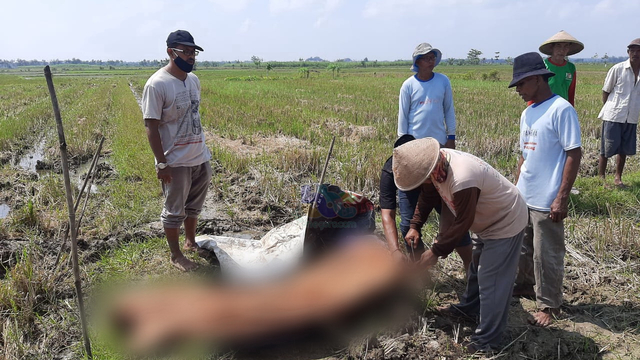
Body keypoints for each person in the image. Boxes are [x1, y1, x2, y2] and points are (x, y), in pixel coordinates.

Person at [393, 138, 528, 353]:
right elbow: (427, 197)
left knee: (491, 281)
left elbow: (463, 222)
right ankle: (470, 309)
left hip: (505, 220)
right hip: (485, 222)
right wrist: (415, 225)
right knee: (476, 270)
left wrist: (435, 252)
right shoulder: (436, 167)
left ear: (429, 169)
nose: (423, 185)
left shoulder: (463, 177)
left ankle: (487, 342)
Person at [509, 52, 582, 327]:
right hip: (525, 195)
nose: (518, 90)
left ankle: (549, 305)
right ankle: (526, 286)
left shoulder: (561, 109)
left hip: (547, 197)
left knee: (547, 254)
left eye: (521, 84)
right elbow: (524, 156)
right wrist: (516, 189)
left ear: (537, 79)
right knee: (524, 249)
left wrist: (561, 197)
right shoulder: (527, 112)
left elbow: (573, 153)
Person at [142, 30, 212, 272]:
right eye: (186, 51)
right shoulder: (157, 84)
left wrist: (203, 153)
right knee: (174, 211)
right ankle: (176, 255)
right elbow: (151, 126)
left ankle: (191, 242)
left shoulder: (193, 81)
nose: (191, 57)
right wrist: (162, 164)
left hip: (199, 156)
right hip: (176, 161)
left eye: (194, 52)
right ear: (171, 52)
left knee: (194, 206)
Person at [379, 135, 471, 270]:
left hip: (436, 182)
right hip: (413, 187)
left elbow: (452, 212)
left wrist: (440, 242)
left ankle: (470, 264)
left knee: (455, 225)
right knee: (407, 225)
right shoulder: (391, 170)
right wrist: (395, 251)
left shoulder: (437, 165)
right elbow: (387, 213)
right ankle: (421, 269)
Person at [597, 38, 640, 188]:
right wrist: (610, 108)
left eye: (639, 51)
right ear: (628, 52)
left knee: (624, 149)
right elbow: (606, 91)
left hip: (632, 116)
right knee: (606, 148)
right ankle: (601, 178)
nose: (635, 53)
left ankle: (618, 178)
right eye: (632, 50)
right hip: (614, 115)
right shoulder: (618, 69)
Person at [538, 30, 584, 107]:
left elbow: (571, 93)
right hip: (544, 107)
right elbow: (535, 90)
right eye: (558, 46)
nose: (562, 50)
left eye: (566, 46)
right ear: (552, 47)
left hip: (563, 107)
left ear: (569, 49)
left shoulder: (570, 67)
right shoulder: (543, 66)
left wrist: (571, 109)